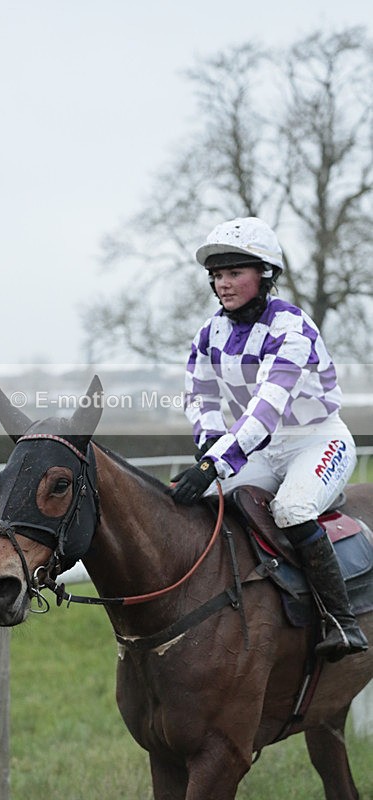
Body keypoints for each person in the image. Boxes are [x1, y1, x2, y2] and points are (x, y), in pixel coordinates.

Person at [168, 216, 368, 662]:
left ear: (266, 275)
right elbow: (199, 393)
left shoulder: (292, 329)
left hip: (316, 440)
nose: (223, 284)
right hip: (260, 446)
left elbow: (265, 408)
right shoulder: (209, 333)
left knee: (292, 509)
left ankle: (342, 622)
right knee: (211, 503)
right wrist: (209, 443)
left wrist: (214, 464)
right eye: (217, 275)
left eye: (235, 272)